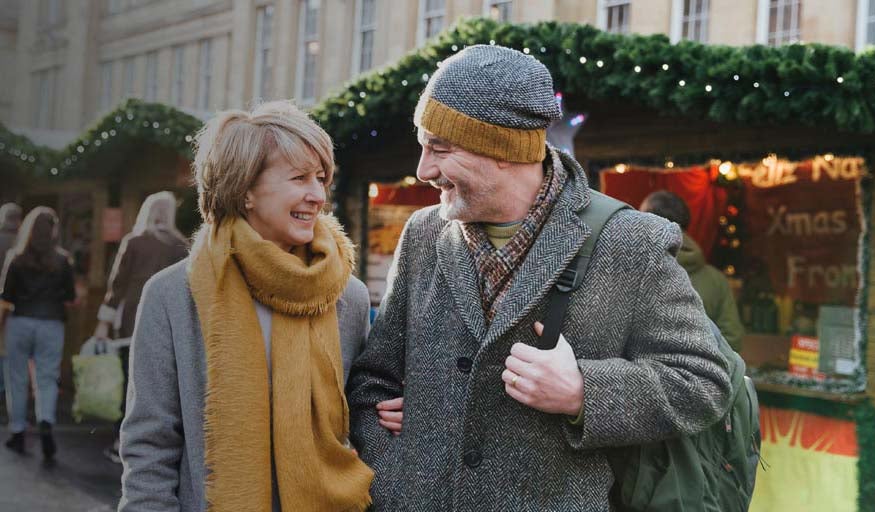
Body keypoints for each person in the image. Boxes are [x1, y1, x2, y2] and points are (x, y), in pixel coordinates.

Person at [346, 45, 732, 511]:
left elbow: (702, 382)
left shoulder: (631, 242)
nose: (423, 170)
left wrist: (583, 392)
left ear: (504, 151)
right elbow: (373, 382)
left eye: (440, 148)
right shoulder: (424, 233)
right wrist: (394, 472)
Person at [118, 101, 375, 511]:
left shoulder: (348, 295)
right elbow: (150, 445)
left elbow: (359, 420)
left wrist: (382, 410)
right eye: (299, 178)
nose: (317, 195)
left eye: (321, 179)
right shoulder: (172, 295)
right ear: (246, 190)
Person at [94, 191, 189, 463]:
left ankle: (119, 443)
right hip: (168, 324)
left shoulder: (134, 241)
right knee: (161, 385)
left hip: (131, 323)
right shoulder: (181, 245)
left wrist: (103, 323)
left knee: (129, 382)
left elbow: (117, 285)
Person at [0, 207, 75, 460]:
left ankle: (18, 432)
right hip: (51, 323)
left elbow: (6, 296)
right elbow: (70, 296)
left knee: (17, 379)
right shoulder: (63, 260)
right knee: (46, 378)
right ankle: (46, 423)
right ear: (53, 230)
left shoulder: (16, 257)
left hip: (20, 322)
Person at [640, 190, 745, 351]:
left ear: (649, 221)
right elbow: (732, 337)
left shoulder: (631, 271)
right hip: (705, 372)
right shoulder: (716, 280)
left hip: (641, 373)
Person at [0, 203, 22, 397]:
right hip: (16, 303)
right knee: (7, 350)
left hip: (4, 299)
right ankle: (5, 390)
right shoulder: (23, 242)